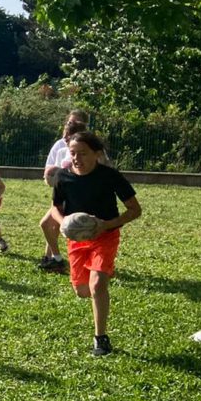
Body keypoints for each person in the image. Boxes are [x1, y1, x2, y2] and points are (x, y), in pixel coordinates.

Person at [48, 131, 142, 356]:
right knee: (82, 291)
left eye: (83, 153)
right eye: (72, 153)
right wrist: (64, 224)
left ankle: (101, 339)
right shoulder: (63, 177)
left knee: (97, 285)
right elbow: (55, 208)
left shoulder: (110, 176)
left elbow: (135, 210)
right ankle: (103, 275)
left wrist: (108, 224)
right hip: (77, 239)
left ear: (97, 154)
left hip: (105, 236)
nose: (77, 158)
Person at [38, 111, 90, 271]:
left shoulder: (89, 149)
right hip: (62, 195)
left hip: (80, 197)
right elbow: (50, 170)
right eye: (66, 133)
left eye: (69, 134)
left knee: (76, 230)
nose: (65, 139)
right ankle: (56, 259)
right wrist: (52, 173)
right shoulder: (61, 149)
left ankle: (86, 262)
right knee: (48, 225)